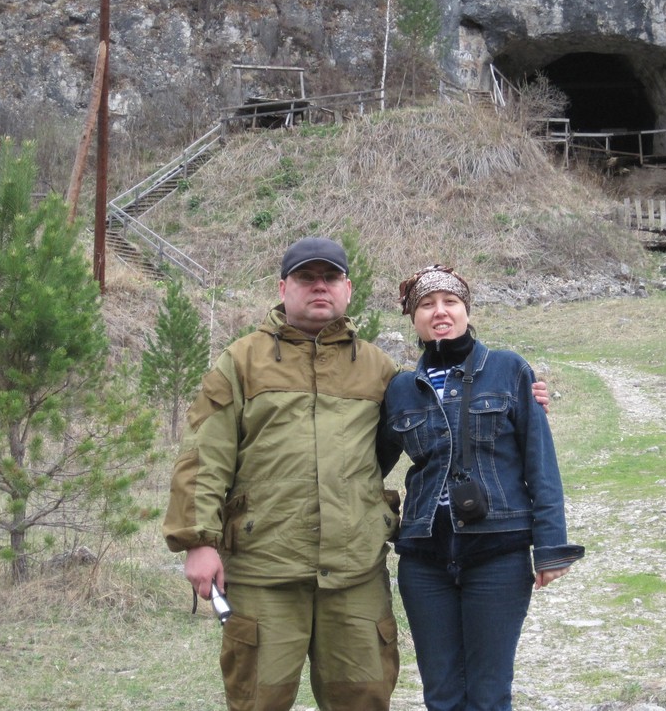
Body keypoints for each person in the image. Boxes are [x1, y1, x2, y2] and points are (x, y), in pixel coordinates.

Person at [163, 237, 401, 711]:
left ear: (348, 289)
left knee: (364, 699)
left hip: (354, 572)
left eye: (330, 278)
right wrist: (198, 541)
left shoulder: (378, 368)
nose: (319, 287)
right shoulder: (241, 361)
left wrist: (520, 396)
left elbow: (431, 426)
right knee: (257, 701)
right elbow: (202, 454)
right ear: (282, 287)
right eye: (306, 278)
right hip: (263, 570)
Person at [380, 264, 584, 711]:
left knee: (489, 694)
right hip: (424, 559)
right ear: (412, 318)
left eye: (450, 302)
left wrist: (550, 547)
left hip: (498, 554)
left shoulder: (509, 370)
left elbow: (541, 464)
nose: (440, 312)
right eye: (427, 305)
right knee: (441, 693)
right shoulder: (399, 388)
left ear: (467, 311)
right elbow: (366, 466)